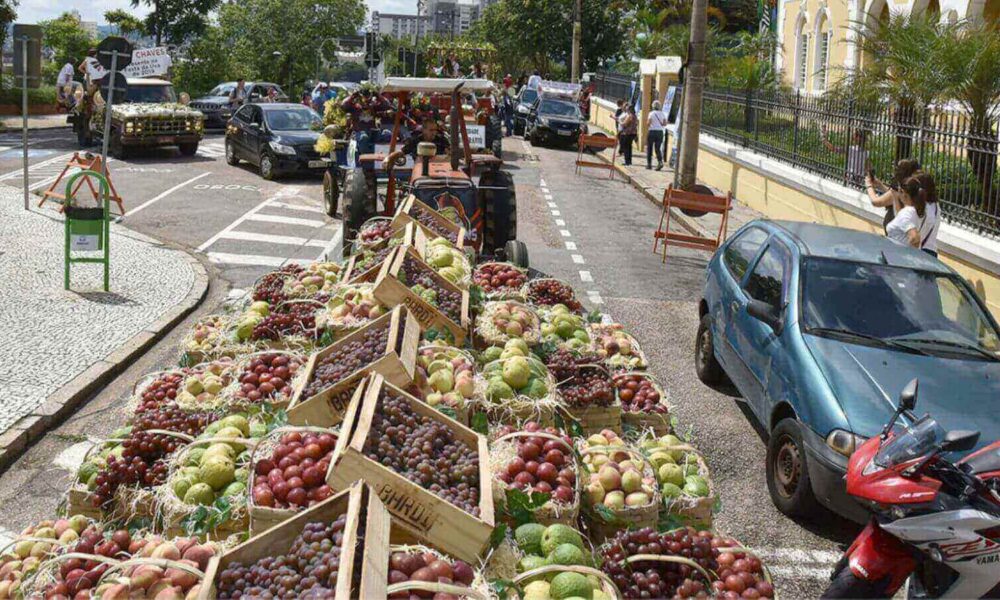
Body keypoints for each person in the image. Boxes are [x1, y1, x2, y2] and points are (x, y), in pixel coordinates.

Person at [885, 172, 939, 254]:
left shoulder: (908, 212)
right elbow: (902, 221)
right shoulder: (922, 210)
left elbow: (914, 238)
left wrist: (907, 255)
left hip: (899, 257)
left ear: (903, 193)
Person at [865, 158, 921, 234]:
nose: (895, 170)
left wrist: (869, 186)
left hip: (895, 236)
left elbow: (876, 202)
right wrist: (880, 185)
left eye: (898, 168)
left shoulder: (900, 190)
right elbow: (892, 196)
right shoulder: (911, 189)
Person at [382, 117, 450, 169]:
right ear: (424, 130)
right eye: (431, 130)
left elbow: (450, 152)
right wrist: (388, 158)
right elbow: (401, 152)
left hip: (440, 169)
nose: (434, 133)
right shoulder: (415, 140)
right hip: (420, 171)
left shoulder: (441, 140)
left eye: (435, 130)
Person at [646, 100, 667, 170]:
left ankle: (649, 164)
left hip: (652, 131)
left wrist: (649, 124)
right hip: (660, 132)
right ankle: (660, 162)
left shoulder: (651, 113)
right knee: (657, 148)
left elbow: (648, 123)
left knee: (649, 148)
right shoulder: (662, 114)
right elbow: (664, 124)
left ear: (653, 106)